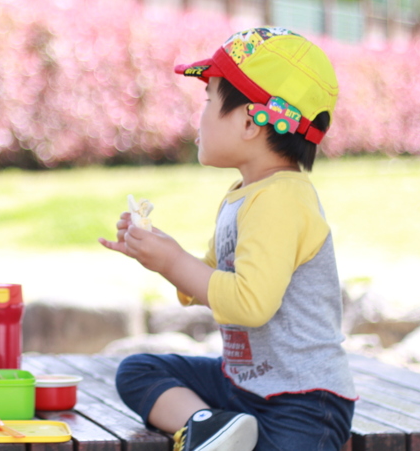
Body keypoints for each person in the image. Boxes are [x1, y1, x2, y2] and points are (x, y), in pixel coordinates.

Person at [99, 27, 356, 451]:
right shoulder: (245, 193)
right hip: (245, 383)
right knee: (137, 370)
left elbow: (248, 305)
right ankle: (209, 425)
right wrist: (156, 249)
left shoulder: (283, 199)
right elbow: (213, 281)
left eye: (208, 101)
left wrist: (173, 261)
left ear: (252, 120)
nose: (198, 116)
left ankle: (219, 428)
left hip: (303, 400)